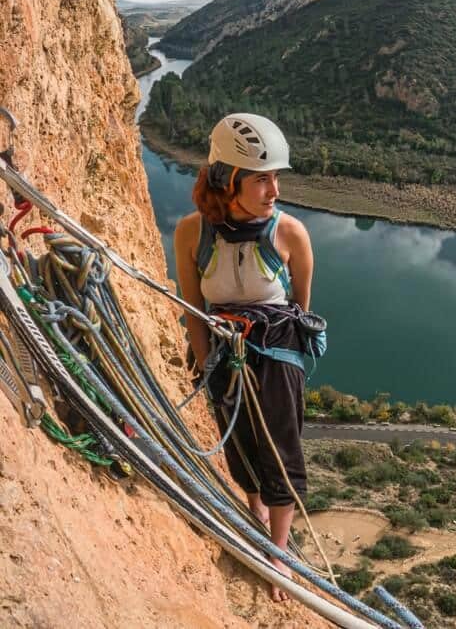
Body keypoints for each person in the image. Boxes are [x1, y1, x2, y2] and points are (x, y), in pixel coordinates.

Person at [174, 113, 316, 602]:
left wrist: (275, 357)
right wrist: (205, 363)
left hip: (276, 352)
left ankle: (277, 551)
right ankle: (254, 509)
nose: (274, 190)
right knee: (237, 441)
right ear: (226, 179)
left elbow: (300, 307)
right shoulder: (192, 234)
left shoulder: (290, 234)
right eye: (261, 179)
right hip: (222, 351)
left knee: (281, 446)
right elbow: (194, 309)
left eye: (276, 177)